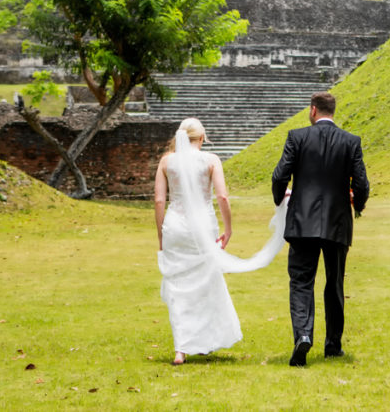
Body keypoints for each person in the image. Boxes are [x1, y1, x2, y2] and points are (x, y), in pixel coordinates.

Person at [155, 118, 287, 365]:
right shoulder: (211, 160)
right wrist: (228, 228)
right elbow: (222, 196)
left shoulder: (166, 162)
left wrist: (162, 234)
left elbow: (160, 201)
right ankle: (203, 343)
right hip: (203, 226)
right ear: (202, 138)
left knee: (177, 287)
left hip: (175, 225)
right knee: (206, 283)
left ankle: (180, 350)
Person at [272, 91, 370, 367]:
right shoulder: (351, 142)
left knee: (301, 281)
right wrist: (357, 205)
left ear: (313, 110)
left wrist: (280, 200)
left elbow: (280, 175)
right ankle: (333, 345)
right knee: (334, 283)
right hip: (337, 221)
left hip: (302, 222)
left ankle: (303, 334)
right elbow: (361, 183)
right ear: (332, 111)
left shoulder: (297, 137)